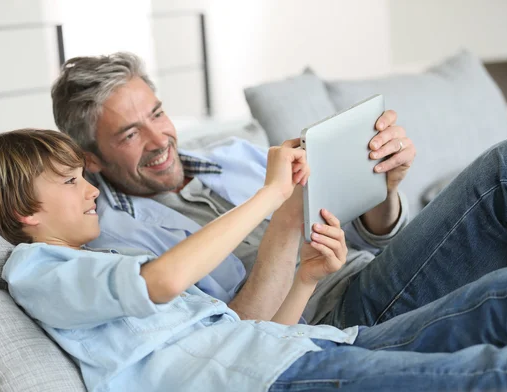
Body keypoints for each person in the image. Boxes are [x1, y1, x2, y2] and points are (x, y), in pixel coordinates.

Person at [0, 128, 507, 392]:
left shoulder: (103, 261)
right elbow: (165, 281)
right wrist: (270, 195)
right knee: (493, 378)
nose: (89, 190)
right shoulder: (36, 269)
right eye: (72, 180)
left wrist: (303, 279)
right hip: (272, 384)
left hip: (308, 349)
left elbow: (242, 336)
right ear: (20, 211)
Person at [51, 52, 417, 325]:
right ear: (92, 160)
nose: (158, 140)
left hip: (376, 268)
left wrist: (386, 187)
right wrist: (286, 215)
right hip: (331, 315)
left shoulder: (236, 155)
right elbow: (236, 336)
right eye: (130, 134)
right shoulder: (116, 238)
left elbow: (370, 237)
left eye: (157, 114)